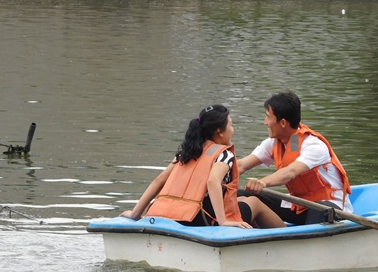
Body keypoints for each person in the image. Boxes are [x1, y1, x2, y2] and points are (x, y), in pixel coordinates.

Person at [121, 104, 285, 229]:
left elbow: (159, 180)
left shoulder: (187, 151)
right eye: (231, 125)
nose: (233, 130)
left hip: (169, 213)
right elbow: (213, 182)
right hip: (202, 219)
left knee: (241, 199)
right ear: (220, 132)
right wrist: (224, 222)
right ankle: (286, 236)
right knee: (254, 202)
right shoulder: (224, 154)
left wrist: (135, 214)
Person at [238, 91, 353, 224]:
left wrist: (262, 182)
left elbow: (290, 172)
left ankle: (309, 242)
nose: (265, 122)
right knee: (242, 194)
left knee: (320, 210)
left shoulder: (314, 145)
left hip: (330, 206)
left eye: (268, 117)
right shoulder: (277, 142)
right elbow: (240, 165)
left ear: (282, 123)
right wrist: (215, 173)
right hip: (299, 205)